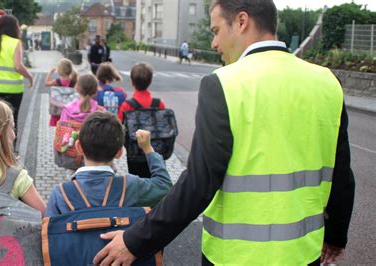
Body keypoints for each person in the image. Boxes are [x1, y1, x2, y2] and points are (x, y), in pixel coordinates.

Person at [94, 0, 355, 265]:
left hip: (235, 256)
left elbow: (199, 183)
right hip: (304, 253)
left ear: (242, 22)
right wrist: (336, 236)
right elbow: (341, 173)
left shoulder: (224, 84)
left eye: (216, 31)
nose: (214, 44)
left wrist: (135, 241)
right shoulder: (326, 82)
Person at [46, 111, 173, 216]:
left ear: (79, 147)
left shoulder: (60, 194)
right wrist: (148, 149)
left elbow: (48, 234)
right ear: (119, 153)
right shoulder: (130, 186)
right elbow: (164, 186)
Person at [0, 15, 34, 147]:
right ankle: (11, 152)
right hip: (13, 90)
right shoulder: (15, 43)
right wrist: (30, 76)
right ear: (13, 28)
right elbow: (18, 66)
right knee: (12, 121)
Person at [118, 63, 166, 178]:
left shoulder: (127, 106)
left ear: (132, 82)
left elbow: (119, 129)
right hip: (156, 151)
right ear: (150, 81)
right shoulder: (159, 104)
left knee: (137, 182)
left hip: (135, 153)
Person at [45, 58, 78, 126]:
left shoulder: (57, 82)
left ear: (59, 70)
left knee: (58, 129)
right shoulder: (73, 81)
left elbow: (46, 83)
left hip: (58, 111)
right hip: (69, 112)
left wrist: (50, 72)